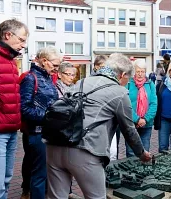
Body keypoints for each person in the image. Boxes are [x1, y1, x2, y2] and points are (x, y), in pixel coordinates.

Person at [45, 53, 152, 199]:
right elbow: (129, 130)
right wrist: (141, 153)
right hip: (86, 150)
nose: (127, 82)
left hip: (55, 145)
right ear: (123, 75)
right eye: (128, 79)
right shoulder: (119, 92)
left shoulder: (81, 82)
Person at [0, 19, 28, 199]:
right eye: (21, 40)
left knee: (5, 181)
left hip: (11, 131)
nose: (23, 44)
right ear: (7, 35)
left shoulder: (11, 61)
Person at [20, 46, 61, 199]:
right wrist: (50, 116)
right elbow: (24, 109)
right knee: (39, 174)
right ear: (44, 61)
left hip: (47, 132)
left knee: (45, 173)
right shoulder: (31, 78)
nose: (56, 69)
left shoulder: (47, 77)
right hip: (37, 133)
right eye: (55, 65)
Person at [55, 62, 81, 199]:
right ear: (59, 74)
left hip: (71, 131)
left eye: (73, 75)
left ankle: (68, 191)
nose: (71, 77)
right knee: (57, 164)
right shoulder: (55, 88)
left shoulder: (74, 88)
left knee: (69, 163)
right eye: (68, 74)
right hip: (58, 131)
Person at [125, 59, 157, 157]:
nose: (140, 74)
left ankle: (143, 171)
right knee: (131, 152)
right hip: (131, 123)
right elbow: (126, 105)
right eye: (138, 71)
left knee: (145, 151)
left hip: (146, 124)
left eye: (142, 71)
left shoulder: (150, 84)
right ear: (134, 71)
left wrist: (145, 119)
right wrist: (137, 119)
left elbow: (154, 104)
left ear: (145, 72)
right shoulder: (129, 84)